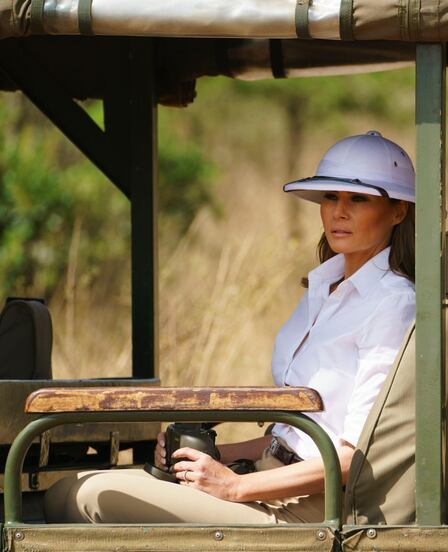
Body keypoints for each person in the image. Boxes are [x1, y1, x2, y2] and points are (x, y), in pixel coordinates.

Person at [44, 131, 416, 524]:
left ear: (398, 211)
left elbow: (353, 457)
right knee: (62, 492)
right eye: (330, 197)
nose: (339, 212)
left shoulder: (393, 303)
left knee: (89, 496)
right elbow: (291, 438)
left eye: (358, 199)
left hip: (311, 508)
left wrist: (233, 487)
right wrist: (214, 458)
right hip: (269, 475)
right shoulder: (323, 288)